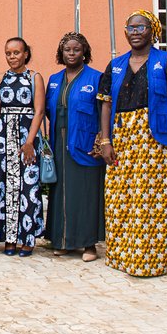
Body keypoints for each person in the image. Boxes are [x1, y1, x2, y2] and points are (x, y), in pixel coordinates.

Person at [97, 10, 167, 278]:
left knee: (150, 199)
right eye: (131, 28)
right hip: (122, 137)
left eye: (141, 27)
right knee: (120, 198)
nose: (135, 32)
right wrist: (105, 140)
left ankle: (149, 261)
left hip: (154, 137)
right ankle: (121, 256)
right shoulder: (116, 64)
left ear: (153, 31)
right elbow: (105, 103)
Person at [43, 32, 105, 263]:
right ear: (61, 53)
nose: (71, 53)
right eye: (67, 50)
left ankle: (89, 244)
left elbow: (104, 112)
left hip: (85, 145)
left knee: (86, 195)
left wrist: (101, 141)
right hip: (59, 145)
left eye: (76, 49)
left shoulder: (96, 78)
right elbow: (48, 110)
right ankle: (62, 241)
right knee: (60, 194)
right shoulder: (54, 79)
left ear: (84, 52)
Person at [0, 37, 45, 256]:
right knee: (2, 186)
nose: (12, 57)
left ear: (26, 54)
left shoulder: (35, 78)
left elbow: (39, 111)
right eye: (8, 53)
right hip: (3, 139)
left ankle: (27, 239)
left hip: (27, 138)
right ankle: (9, 238)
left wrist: (29, 142)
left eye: (16, 52)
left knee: (27, 187)